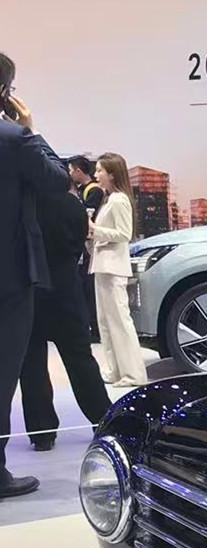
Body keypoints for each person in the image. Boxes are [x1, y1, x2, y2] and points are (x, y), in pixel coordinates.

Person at [0, 50, 69, 499]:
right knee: (2, 374)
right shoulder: (15, 139)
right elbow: (58, 181)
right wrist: (32, 128)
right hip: (8, 278)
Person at [20, 186, 112, 449]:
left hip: (31, 291)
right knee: (81, 360)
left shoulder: (23, 207)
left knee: (32, 365)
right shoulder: (72, 206)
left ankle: (41, 433)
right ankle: (103, 419)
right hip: (67, 290)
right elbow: (80, 240)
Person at [88, 153, 146, 386]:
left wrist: (94, 230)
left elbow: (124, 233)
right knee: (106, 322)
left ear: (112, 174)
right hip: (104, 266)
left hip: (113, 268)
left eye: (100, 170)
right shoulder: (110, 199)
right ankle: (116, 371)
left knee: (119, 322)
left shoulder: (119, 200)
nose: (96, 174)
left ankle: (133, 374)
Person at [67, 154, 104, 340]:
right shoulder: (85, 190)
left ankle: (95, 329)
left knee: (89, 288)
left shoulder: (94, 191)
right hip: (87, 247)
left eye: (71, 170)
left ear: (79, 171)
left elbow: (86, 216)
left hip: (92, 246)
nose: (70, 174)